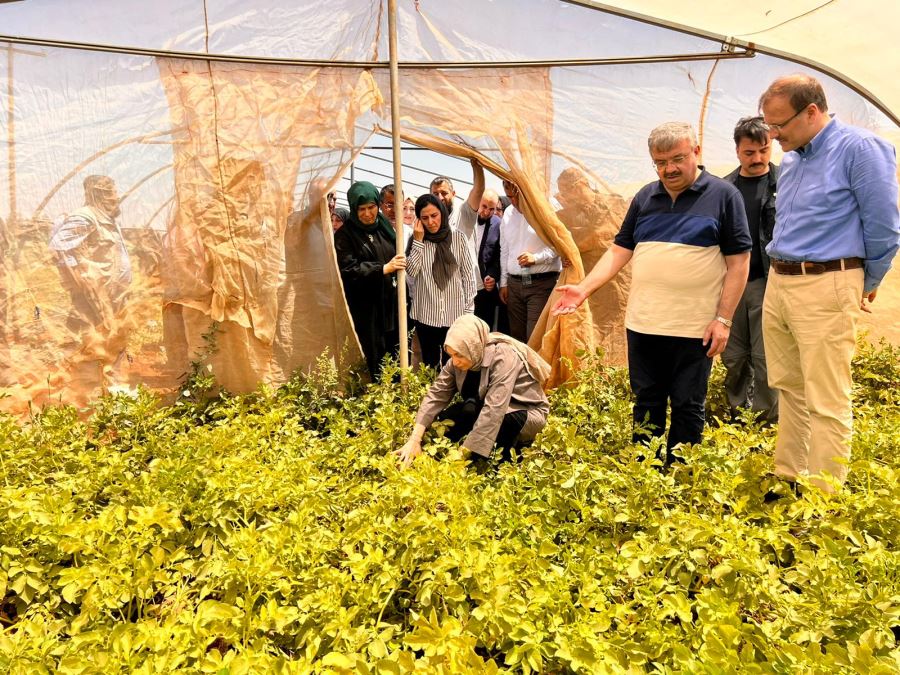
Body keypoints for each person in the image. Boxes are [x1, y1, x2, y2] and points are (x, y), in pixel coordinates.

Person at [552, 122, 751, 466]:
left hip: (694, 328)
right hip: (644, 324)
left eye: (677, 158)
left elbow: (739, 262)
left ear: (696, 153)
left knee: (688, 404)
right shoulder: (646, 197)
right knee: (647, 401)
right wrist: (583, 289)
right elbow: (619, 250)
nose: (669, 168)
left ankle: (679, 478)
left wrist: (723, 319)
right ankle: (644, 474)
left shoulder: (723, 196)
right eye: (660, 162)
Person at [758, 74, 899, 493]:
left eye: (779, 124)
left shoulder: (859, 148)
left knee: (827, 397)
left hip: (827, 281)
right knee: (789, 386)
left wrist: (863, 280)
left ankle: (823, 499)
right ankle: (788, 478)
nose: (772, 133)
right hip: (780, 280)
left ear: (812, 112)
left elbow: (885, 226)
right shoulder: (795, 158)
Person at [395, 314, 551, 467]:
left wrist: (461, 457)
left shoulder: (504, 357)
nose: (454, 361)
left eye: (459, 355)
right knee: (450, 417)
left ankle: (500, 459)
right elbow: (436, 395)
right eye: (451, 354)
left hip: (524, 412)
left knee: (501, 427)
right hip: (489, 407)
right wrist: (414, 439)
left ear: (473, 347)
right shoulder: (458, 358)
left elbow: (494, 409)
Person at [49, 174, 133, 395]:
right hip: (94, 296)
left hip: (114, 295)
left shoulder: (108, 219)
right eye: (111, 193)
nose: (116, 197)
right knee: (90, 341)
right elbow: (59, 248)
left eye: (114, 192)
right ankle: (85, 395)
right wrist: (82, 282)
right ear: (98, 194)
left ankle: (117, 393)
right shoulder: (86, 217)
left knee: (116, 339)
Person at [721, 116, 779, 424]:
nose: (757, 158)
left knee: (766, 355)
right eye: (749, 153)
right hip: (731, 284)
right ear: (737, 151)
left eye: (763, 150)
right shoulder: (723, 189)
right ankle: (738, 416)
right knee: (734, 355)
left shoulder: (785, 184)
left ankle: (767, 420)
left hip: (768, 282)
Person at [555, 167, 631, 364]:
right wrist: (568, 254)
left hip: (621, 277)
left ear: (580, 185)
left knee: (622, 326)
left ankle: (623, 372)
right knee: (597, 328)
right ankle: (601, 374)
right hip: (591, 282)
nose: (566, 198)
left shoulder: (614, 203)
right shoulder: (569, 215)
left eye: (567, 192)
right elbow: (564, 237)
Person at [333, 181, 406, 380]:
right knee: (374, 354)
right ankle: (376, 400)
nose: (367, 214)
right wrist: (383, 269)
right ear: (354, 209)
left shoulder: (385, 228)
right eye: (361, 209)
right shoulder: (345, 236)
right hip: (367, 308)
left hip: (390, 302)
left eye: (371, 207)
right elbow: (348, 270)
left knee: (396, 351)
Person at [407, 193, 477, 369]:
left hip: (454, 315)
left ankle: (452, 396)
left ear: (442, 213)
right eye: (424, 218)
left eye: (434, 216)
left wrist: (468, 313)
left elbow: (468, 276)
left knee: (454, 364)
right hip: (426, 315)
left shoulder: (458, 238)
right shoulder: (417, 240)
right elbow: (412, 271)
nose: (430, 222)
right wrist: (417, 241)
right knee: (429, 364)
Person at [499, 179, 562, 343]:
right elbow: (504, 250)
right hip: (514, 285)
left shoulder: (549, 207)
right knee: (517, 339)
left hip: (541, 285)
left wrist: (537, 258)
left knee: (535, 339)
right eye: (509, 196)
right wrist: (504, 282)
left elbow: (562, 244)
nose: (514, 201)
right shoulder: (508, 213)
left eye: (517, 196)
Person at [473, 189, 508, 332]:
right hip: (462, 288)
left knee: (483, 331)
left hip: (484, 291)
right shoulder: (464, 218)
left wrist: (492, 275)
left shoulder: (498, 224)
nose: (487, 212)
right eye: (484, 207)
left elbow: (499, 256)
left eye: (492, 209)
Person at [430, 159, 485, 243]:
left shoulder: (464, 212)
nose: (440, 198)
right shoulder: (430, 218)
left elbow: (478, 190)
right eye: (435, 194)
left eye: (444, 193)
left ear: (453, 194)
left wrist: (476, 165)